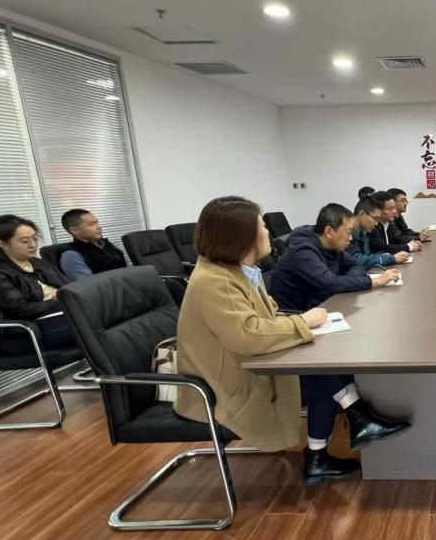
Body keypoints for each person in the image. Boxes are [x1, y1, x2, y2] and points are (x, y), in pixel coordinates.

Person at [174, 196, 409, 483]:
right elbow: (248, 335)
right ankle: (348, 428)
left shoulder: (235, 271)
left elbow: (265, 317)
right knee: (323, 375)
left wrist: (303, 323)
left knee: (326, 369)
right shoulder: (215, 280)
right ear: (241, 235)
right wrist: (303, 322)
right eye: (261, 226)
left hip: (247, 366)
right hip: (222, 388)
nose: (268, 233)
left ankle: (341, 435)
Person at [0, 215, 75, 352]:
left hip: (56, 317)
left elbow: (70, 287)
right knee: (89, 323)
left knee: (94, 315)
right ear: (3, 244)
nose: (33, 245)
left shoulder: (37, 262)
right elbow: (21, 309)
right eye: (25, 241)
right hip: (25, 332)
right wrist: (62, 301)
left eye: (35, 239)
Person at [269, 203, 401, 311]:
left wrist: (342, 282)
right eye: (348, 232)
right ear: (329, 231)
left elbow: (357, 265)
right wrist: (374, 282)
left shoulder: (333, 245)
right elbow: (330, 283)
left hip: (322, 306)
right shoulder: (302, 251)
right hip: (296, 316)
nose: (350, 238)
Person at [58, 209, 128, 281]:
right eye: (91, 224)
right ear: (74, 230)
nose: (99, 227)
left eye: (97, 223)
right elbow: (89, 284)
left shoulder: (106, 244)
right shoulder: (71, 255)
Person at [349, 197, 409, 269]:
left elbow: (367, 255)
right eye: (375, 218)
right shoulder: (347, 233)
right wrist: (391, 258)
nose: (376, 224)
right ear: (362, 214)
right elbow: (357, 260)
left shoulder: (363, 232)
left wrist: (386, 255)